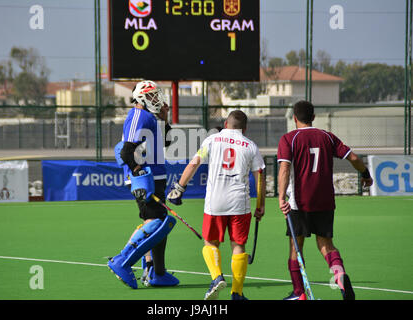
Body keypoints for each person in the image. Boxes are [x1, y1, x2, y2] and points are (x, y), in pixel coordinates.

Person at [277, 100, 373, 300]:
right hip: (325, 201)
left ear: (295, 118)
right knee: (326, 245)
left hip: (299, 203)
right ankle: (341, 277)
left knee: (296, 248)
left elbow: (285, 168)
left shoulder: (289, 139)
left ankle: (298, 294)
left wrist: (280, 196)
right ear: (313, 117)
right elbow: (353, 158)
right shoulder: (328, 137)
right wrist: (365, 174)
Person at [167, 110, 266, 300]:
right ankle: (237, 293)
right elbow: (259, 177)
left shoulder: (212, 140)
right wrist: (261, 205)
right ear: (244, 128)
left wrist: (179, 187)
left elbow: (194, 163)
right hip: (240, 203)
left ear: (226, 124)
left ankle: (216, 277)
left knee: (210, 242)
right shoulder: (250, 146)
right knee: (238, 246)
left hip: (215, 203)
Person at [108, 80, 179, 289]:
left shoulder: (150, 117)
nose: (157, 100)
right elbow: (126, 151)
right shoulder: (139, 115)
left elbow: (165, 142)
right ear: (142, 97)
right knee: (155, 223)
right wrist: (139, 174)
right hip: (147, 179)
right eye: (153, 96)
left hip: (155, 176)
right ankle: (122, 260)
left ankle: (156, 272)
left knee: (157, 223)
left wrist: (165, 121)